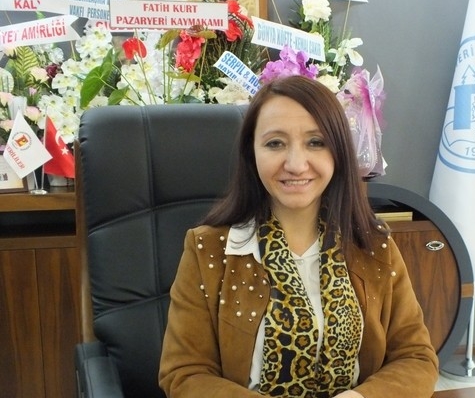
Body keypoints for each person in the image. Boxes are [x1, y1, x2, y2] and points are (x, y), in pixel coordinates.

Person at [159, 75, 439, 398]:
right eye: (275, 143)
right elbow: (185, 373)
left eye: (316, 142)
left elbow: (416, 357)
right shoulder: (208, 250)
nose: (295, 164)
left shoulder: (373, 245)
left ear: (338, 152)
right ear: (252, 152)